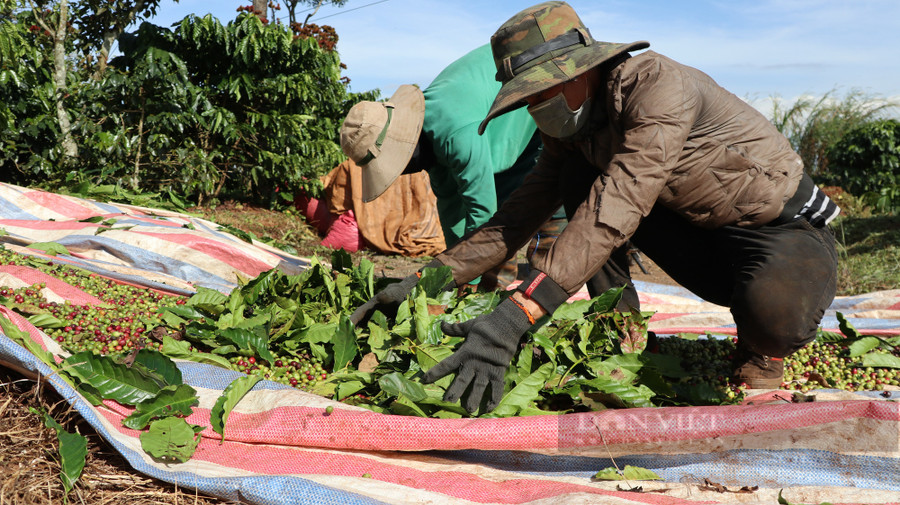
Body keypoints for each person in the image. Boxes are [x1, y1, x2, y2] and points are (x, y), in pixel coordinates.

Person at [352, 1, 840, 414]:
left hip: (774, 227)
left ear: (581, 71)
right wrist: (426, 280)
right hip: (691, 228)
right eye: (529, 99)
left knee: (773, 317)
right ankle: (620, 336)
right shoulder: (573, 127)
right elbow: (515, 217)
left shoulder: (657, 88)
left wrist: (512, 318)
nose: (537, 108)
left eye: (543, 92)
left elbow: (618, 204)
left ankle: (761, 350)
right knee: (575, 183)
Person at [341, 44, 565, 290]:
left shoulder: (454, 131)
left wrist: (468, 278)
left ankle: (542, 299)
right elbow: (451, 211)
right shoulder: (430, 144)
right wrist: (452, 270)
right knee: (499, 214)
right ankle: (491, 295)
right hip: (497, 130)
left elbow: (482, 211)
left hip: (538, 103)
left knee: (546, 204)